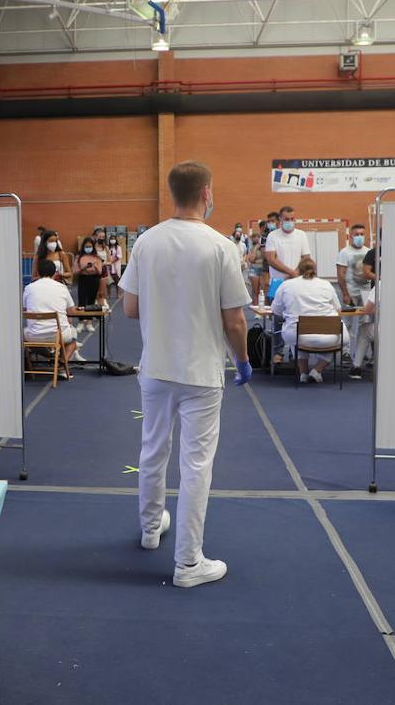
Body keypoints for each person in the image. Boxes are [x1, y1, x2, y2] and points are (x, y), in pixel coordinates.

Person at [121, 160, 252, 589]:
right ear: (207, 193)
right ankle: (189, 562)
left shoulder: (146, 242)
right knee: (196, 464)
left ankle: (148, 527)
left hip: (155, 367)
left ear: (172, 193)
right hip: (200, 372)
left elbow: (131, 308)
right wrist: (244, 361)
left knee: (152, 447)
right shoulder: (221, 247)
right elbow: (234, 320)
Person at [271, 256, 347, 384]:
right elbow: (338, 308)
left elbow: (276, 310)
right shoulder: (326, 285)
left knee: (295, 337)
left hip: (297, 334)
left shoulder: (286, 285)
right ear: (315, 270)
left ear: (298, 270)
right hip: (328, 336)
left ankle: (303, 373)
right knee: (340, 338)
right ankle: (317, 370)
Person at [264, 207, 310, 363]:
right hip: (277, 283)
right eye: (286, 219)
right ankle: (278, 352)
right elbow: (271, 259)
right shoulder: (273, 236)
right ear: (280, 220)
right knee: (277, 317)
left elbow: (306, 258)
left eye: (292, 218)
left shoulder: (301, 235)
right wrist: (290, 271)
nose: (290, 222)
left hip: (297, 284)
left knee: (296, 317)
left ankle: (294, 352)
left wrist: (296, 273)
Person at [23, 258, 83, 371]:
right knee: (72, 341)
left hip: (33, 335)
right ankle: (61, 364)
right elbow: (71, 312)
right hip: (58, 335)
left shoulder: (29, 288)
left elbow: (25, 308)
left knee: (22, 335)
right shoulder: (62, 288)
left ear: (38, 273)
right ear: (55, 273)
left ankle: (30, 364)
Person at [335, 224, 371, 361]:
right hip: (350, 292)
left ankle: (362, 353)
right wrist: (345, 293)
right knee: (348, 324)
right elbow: (340, 274)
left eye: (362, 234)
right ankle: (345, 351)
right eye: (356, 234)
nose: (359, 237)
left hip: (366, 292)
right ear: (350, 236)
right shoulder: (344, 253)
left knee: (364, 323)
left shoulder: (369, 251)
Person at [74, 236, 106, 332]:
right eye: (86, 246)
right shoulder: (79, 257)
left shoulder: (97, 258)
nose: (88, 248)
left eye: (90, 246)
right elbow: (76, 271)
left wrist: (95, 267)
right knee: (82, 300)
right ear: (83, 247)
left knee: (91, 301)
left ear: (93, 246)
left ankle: (89, 322)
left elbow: (100, 272)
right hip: (83, 279)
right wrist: (84, 268)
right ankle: (80, 322)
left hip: (94, 279)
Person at [350, 285, 377, 380]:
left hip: (384, 330)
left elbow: (368, 309)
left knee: (363, 330)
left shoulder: (381, 285)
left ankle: (356, 367)